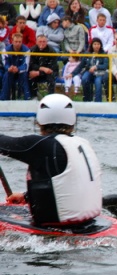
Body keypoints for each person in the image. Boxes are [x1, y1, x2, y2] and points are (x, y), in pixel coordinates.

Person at [3, 94, 102, 227]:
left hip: (58, 227)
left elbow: (3, 143)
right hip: (90, 221)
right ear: (72, 122)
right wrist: (26, 197)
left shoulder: (42, 145)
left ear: (39, 122)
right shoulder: (83, 143)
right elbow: (71, 181)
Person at [70, 37, 107, 102]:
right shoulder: (87, 54)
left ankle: (98, 102)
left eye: (98, 44)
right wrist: (72, 74)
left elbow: (106, 65)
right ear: (92, 45)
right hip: (88, 71)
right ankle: (87, 100)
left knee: (98, 82)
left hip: (100, 73)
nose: (96, 46)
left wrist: (96, 67)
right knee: (84, 79)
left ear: (100, 45)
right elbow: (81, 66)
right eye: (95, 44)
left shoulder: (104, 54)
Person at [0, 33, 31, 101]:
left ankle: (27, 99)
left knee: (24, 75)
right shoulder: (6, 50)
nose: (18, 43)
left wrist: (18, 69)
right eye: (16, 42)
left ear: (22, 42)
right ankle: (4, 99)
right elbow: (5, 63)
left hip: (21, 72)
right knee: (7, 75)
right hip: (10, 71)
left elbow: (26, 65)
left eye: (19, 42)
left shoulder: (27, 50)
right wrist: (9, 68)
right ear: (12, 41)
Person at [28, 34, 59, 98]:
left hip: (49, 72)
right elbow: (31, 64)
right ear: (36, 42)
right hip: (37, 72)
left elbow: (52, 67)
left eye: (44, 41)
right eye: (40, 41)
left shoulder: (52, 51)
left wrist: (40, 72)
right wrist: (41, 68)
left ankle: (51, 97)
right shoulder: (32, 50)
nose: (42, 43)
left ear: (46, 42)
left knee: (51, 77)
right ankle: (33, 97)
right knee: (30, 76)